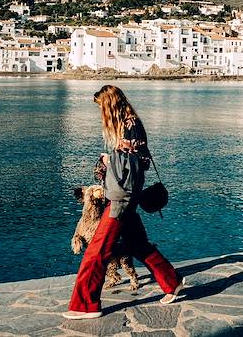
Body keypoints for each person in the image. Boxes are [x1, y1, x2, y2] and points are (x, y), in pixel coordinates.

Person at [63, 85, 184, 320]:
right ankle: (173, 281)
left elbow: (136, 166)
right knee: (139, 245)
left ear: (110, 105)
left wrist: (114, 159)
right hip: (124, 197)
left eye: (102, 108)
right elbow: (133, 164)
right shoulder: (129, 126)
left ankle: (85, 305)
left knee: (96, 252)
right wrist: (112, 159)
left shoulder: (130, 126)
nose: (101, 114)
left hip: (120, 200)